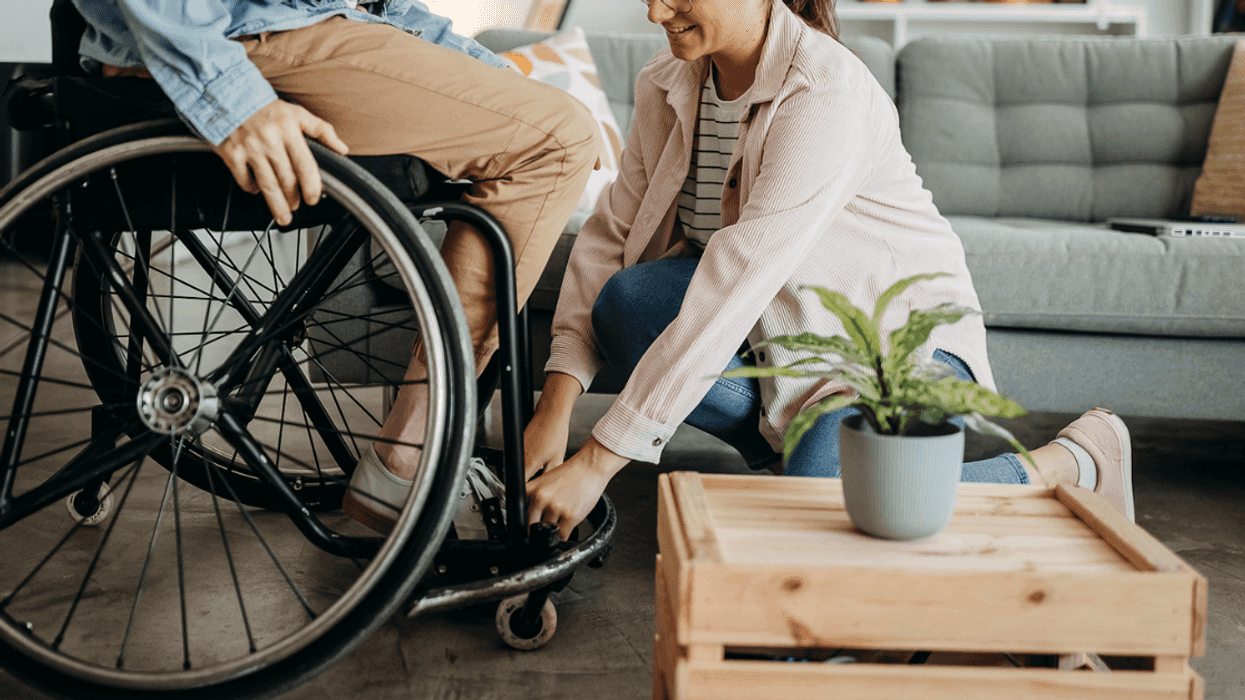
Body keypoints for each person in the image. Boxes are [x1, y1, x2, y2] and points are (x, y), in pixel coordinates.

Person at [522, 0, 1135, 541]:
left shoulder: (823, 91)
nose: (657, 13)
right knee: (624, 302)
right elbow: (611, 236)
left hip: (887, 353)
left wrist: (598, 461)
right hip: (779, 335)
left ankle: (1073, 461)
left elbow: (736, 279)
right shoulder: (668, 82)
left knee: (834, 519)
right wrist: (552, 416)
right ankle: (810, 458)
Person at [76, 0, 603, 532]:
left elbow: (378, 7)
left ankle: (421, 443)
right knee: (558, 140)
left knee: (551, 121)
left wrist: (506, 84)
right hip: (222, 37)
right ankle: (408, 457)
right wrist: (230, 94)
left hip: (278, 31)